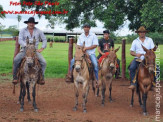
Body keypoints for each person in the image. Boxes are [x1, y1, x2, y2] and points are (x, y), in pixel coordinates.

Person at [12, 17, 47, 85]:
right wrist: (26, 46)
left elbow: (44, 39)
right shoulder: (22, 30)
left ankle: (41, 77)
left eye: (32, 23)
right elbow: (20, 40)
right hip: (25, 49)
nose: (31, 24)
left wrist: (42, 48)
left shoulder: (39, 31)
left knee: (43, 62)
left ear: (34, 24)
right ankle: (15, 77)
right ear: (27, 23)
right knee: (16, 60)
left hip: (34, 50)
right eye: (30, 23)